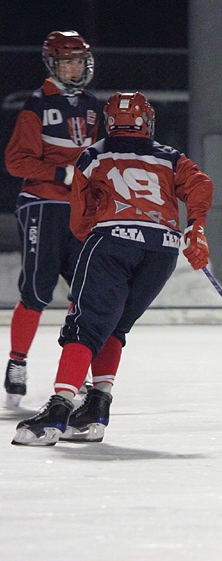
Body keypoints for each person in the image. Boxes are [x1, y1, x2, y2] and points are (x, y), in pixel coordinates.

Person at [11, 92, 213, 446]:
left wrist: (97, 237)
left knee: (84, 325)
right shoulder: (170, 156)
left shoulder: (93, 154)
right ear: (147, 122)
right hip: (162, 250)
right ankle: (96, 410)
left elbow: (81, 215)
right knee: (115, 326)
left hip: (112, 242)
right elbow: (201, 184)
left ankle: (58, 410)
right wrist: (195, 228)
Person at [4, 31, 105, 408]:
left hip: (79, 210)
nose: (74, 68)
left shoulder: (94, 106)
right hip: (42, 204)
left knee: (85, 293)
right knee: (38, 288)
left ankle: (73, 375)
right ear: (53, 64)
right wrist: (61, 172)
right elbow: (16, 162)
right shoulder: (37, 104)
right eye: (67, 61)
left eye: (79, 60)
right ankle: (17, 363)